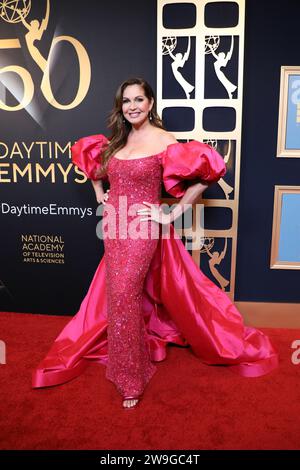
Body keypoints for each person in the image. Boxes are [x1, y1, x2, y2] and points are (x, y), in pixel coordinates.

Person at [32, 77, 278, 409]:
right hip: (115, 226)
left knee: (124, 294)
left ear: (150, 104)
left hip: (143, 229)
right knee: (119, 295)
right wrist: (101, 195)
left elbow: (209, 172)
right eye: (126, 101)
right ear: (121, 107)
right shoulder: (118, 140)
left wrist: (171, 213)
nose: (132, 106)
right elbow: (93, 165)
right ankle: (128, 363)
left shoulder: (164, 140)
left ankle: (131, 377)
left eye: (139, 100)